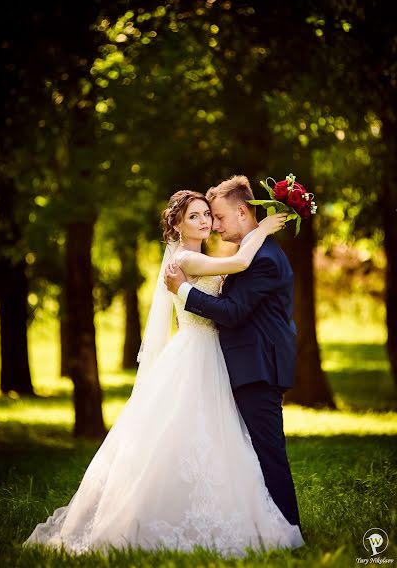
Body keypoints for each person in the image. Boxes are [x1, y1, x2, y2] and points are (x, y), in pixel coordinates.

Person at [24, 188, 303, 557]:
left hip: (214, 355)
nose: (207, 222)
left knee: (211, 438)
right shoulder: (187, 259)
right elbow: (237, 266)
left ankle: (264, 518)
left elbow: (232, 291)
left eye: (210, 214)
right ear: (177, 223)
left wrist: (191, 287)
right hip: (195, 352)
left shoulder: (202, 256)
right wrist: (263, 229)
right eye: (197, 216)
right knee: (184, 436)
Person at [165, 176, 302, 530]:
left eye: (218, 216)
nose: (214, 224)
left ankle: (288, 529)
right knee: (241, 451)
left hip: (258, 367)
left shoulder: (264, 259)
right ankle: (260, 524)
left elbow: (232, 310)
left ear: (243, 212)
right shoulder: (254, 252)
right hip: (240, 363)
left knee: (268, 452)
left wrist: (182, 291)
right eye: (201, 216)